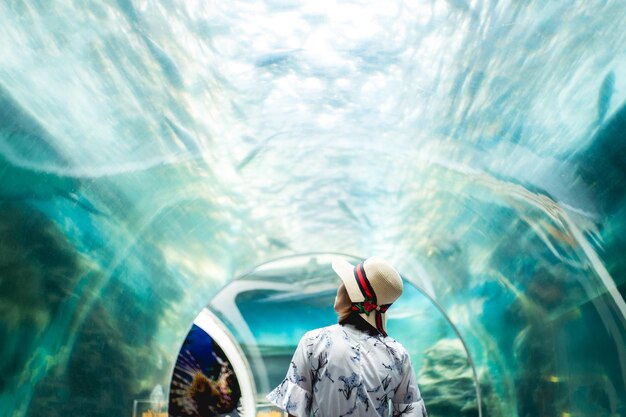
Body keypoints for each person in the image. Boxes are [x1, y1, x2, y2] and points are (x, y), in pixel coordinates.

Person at [267, 256, 428, 417]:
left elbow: (295, 410)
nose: (340, 286)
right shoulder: (398, 355)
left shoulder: (314, 342)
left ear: (352, 296)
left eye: (345, 283)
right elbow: (411, 412)